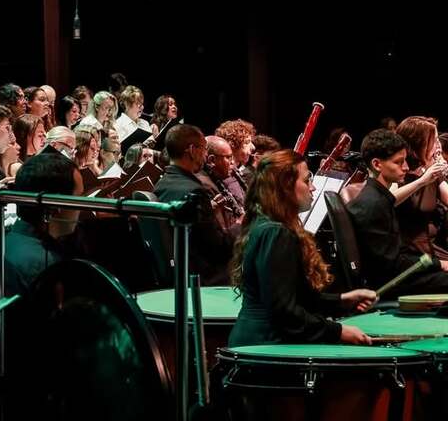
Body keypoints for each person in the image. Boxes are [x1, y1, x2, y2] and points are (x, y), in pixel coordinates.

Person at [228, 149, 376, 346]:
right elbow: (284, 312)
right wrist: (338, 331)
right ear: (285, 187)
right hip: (265, 346)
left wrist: (342, 300)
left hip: (261, 340)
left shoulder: (267, 225)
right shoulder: (276, 233)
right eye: (307, 181)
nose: (313, 188)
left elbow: (295, 298)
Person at [346, 129, 448, 297]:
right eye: (399, 162)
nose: (406, 167)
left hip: (398, 275)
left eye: (405, 160)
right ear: (377, 164)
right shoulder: (373, 204)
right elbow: (392, 266)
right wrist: (439, 264)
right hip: (391, 285)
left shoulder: (380, 197)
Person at [0, 151, 83, 300]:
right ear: (56, 205)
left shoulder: (8, 241)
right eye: (79, 197)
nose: (82, 206)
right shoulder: (44, 266)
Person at [153, 125, 235, 285]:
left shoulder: (161, 184)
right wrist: (239, 225)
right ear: (192, 150)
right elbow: (218, 249)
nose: (205, 156)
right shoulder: (195, 191)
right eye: (204, 149)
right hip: (202, 278)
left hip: (181, 271)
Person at [393, 116, 448, 260]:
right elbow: (387, 200)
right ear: (418, 144)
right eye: (434, 141)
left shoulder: (433, 172)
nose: (438, 145)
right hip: (405, 252)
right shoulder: (398, 173)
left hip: (427, 248)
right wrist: (423, 180)